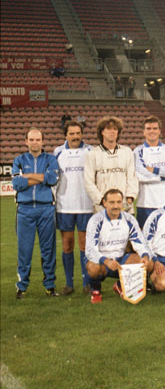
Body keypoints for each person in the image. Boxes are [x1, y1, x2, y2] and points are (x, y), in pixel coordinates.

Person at [12, 128, 60, 299]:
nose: (35, 143)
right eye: (31, 139)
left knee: (48, 250)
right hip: (25, 210)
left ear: (42, 141)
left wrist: (28, 176)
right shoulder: (19, 160)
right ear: (26, 141)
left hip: (46, 208)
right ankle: (22, 286)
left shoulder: (50, 159)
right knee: (24, 250)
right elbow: (17, 183)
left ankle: (50, 286)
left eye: (38, 139)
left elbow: (52, 179)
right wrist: (40, 177)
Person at [85, 189, 154, 304]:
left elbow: (140, 242)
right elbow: (90, 249)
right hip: (103, 262)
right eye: (112, 202)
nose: (116, 206)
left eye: (118, 202)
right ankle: (95, 290)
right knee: (93, 268)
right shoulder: (95, 220)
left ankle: (120, 285)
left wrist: (145, 256)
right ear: (104, 203)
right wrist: (106, 261)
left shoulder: (129, 219)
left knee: (149, 264)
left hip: (121, 260)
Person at [54, 121, 93, 295]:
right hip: (65, 205)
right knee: (67, 244)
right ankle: (69, 284)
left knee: (84, 245)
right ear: (66, 135)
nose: (75, 136)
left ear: (82, 134)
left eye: (78, 133)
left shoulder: (91, 151)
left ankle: (86, 283)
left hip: (86, 205)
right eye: (72, 133)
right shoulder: (58, 152)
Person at [134, 116, 165, 228]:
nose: (152, 131)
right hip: (145, 204)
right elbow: (140, 175)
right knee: (146, 235)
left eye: (155, 128)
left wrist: (155, 170)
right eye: (148, 128)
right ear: (143, 132)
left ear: (160, 131)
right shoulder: (138, 151)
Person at [84, 116, 138, 213]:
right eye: (108, 129)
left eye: (115, 129)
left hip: (125, 207)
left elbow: (132, 177)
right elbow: (88, 182)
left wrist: (129, 198)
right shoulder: (93, 154)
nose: (112, 131)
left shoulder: (127, 152)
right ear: (102, 132)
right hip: (102, 208)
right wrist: (102, 201)